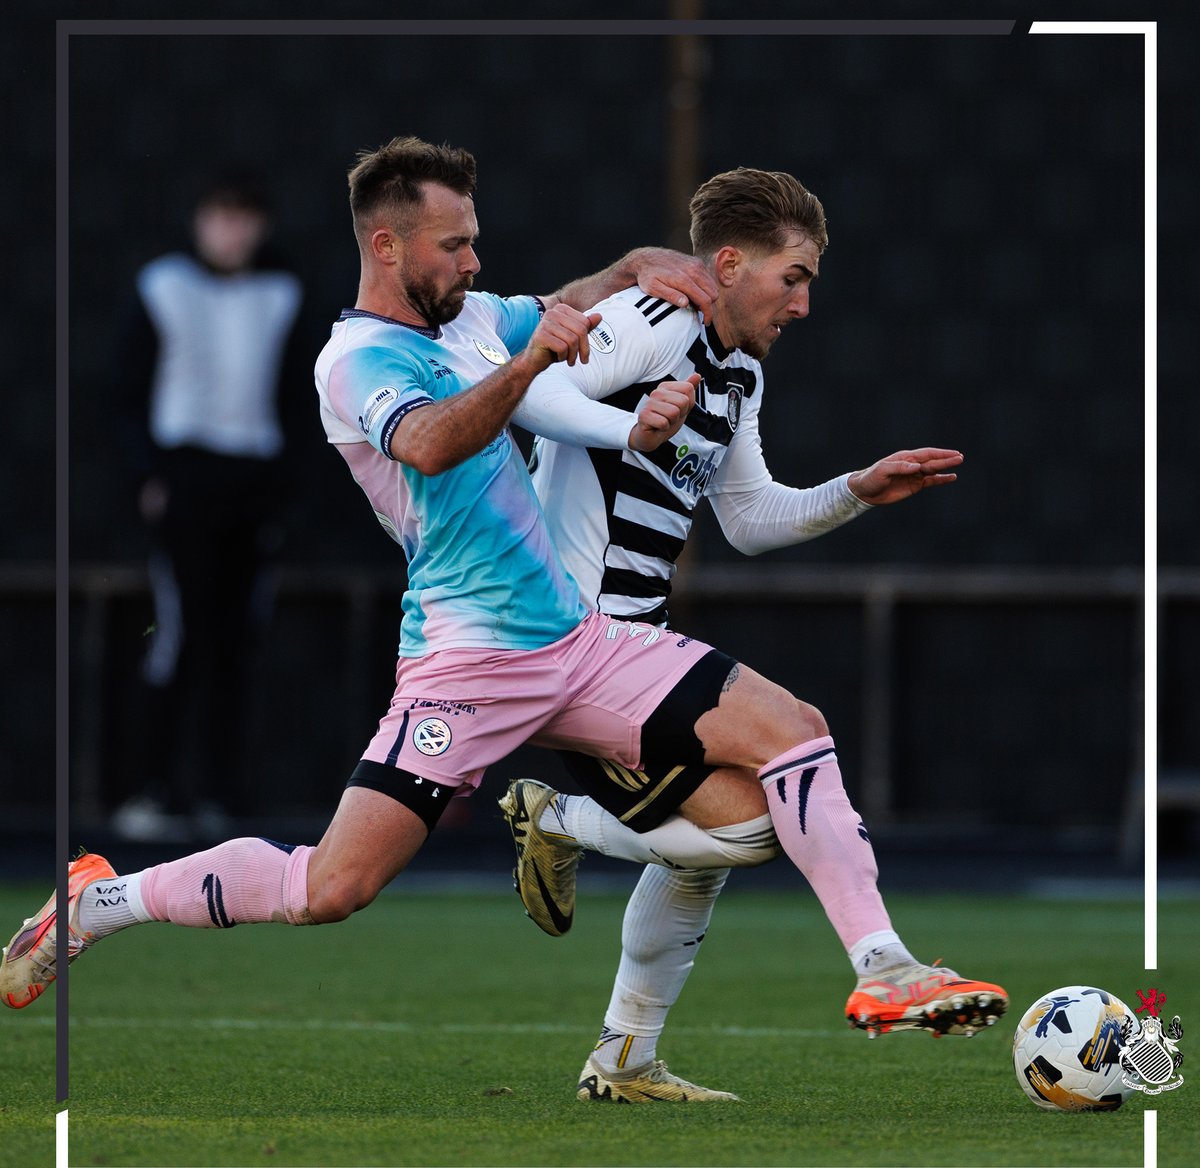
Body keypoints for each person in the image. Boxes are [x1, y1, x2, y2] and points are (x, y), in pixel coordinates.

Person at [0, 134, 830, 1085]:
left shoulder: (471, 316)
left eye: (473, 239)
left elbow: (554, 307)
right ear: (387, 246)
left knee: (764, 798)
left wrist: (629, 266)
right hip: (462, 655)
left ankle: (629, 1041)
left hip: (569, 644)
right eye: (454, 244)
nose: (473, 261)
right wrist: (526, 369)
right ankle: (100, 903)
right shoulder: (357, 359)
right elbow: (431, 442)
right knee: (332, 887)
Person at [497, 166, 1007, 1102]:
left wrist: (856, 491)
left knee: (750, 828)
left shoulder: (739, 373)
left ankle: (623, 1057)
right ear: (729, 264)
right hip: (568, 642)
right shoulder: (654, 319)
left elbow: (748, 518)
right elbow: (525, 395)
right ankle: (886, 966)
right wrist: (627, 430)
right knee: (797, 731)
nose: (804, 304)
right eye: (793, 277)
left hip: (628, 646)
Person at [111, 170, 308, 842]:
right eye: (221, 217)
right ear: (200, 221)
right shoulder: (162, 286)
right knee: (178, 635)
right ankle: (154, 789)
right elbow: (127, 389)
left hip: (251, 482)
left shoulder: (283, 293)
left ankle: (224, 796)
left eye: (244, 217)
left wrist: (283, 488)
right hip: (185, 477)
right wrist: (148, 474)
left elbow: (297, 395)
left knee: (238, 641)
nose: (232, 232)